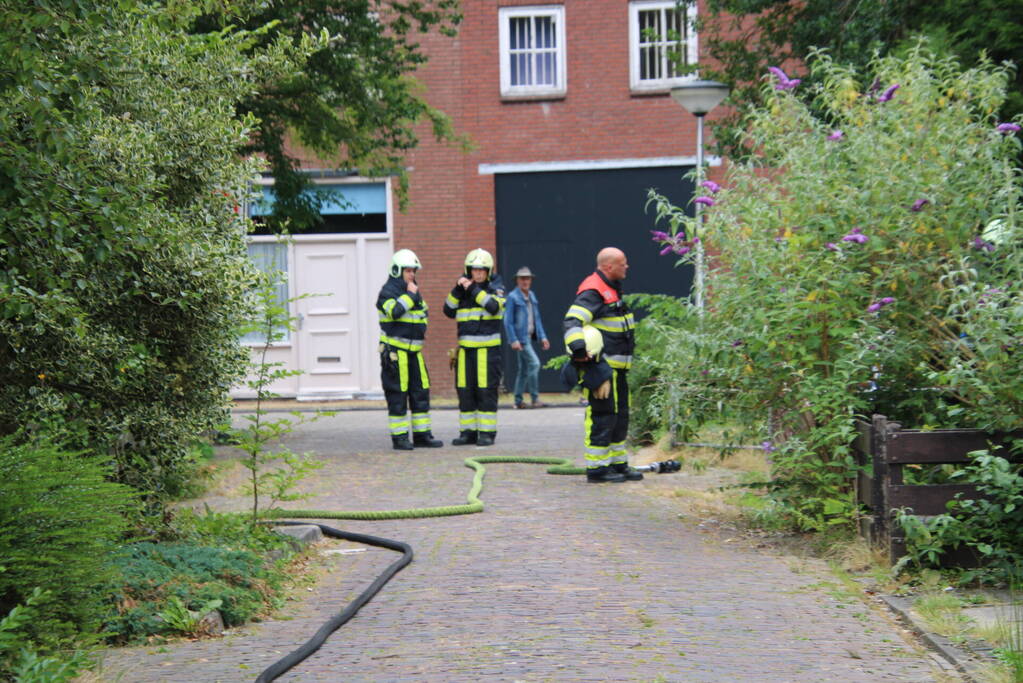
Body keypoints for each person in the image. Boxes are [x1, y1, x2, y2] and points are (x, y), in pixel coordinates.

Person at [563, 247, 643, 483]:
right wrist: (579, 351)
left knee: (620, 417)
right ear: (608, 267)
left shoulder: (611, 289)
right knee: (603, 416)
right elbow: (572, 321)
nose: (626, 267)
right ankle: (597, 468)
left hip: (618, 370)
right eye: (623, 263)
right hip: (603, 371)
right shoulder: (594, 290)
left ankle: (617, 463)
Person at [376, 249, 443, 451]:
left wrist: (413, 298)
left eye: (413, 271)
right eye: (408, 271)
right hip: (395, 354)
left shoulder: (413, 292)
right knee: (398, 395)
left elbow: (423, 312)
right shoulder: (387, 292)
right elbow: (395, 312)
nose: (412, 275)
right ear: (396, 271)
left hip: (415, 353)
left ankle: (422, 436)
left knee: (420, 392)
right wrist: (410, 296)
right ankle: (400, 438)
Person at [443, 248, 506, 446]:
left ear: (489, 272)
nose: (478, 273)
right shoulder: (463, 291)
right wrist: (457, 288)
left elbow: (493, 306)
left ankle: (486, 434)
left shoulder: (496, 288)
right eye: (474, 270)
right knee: (465, 391)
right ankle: (468, 432)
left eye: (482, 270)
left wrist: (471, 289)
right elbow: (448, 310)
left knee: (486, 392)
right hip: (465, 352)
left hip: (487, 353)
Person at [503, 266, 551, 409]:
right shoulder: (512, 297)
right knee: (535, 364)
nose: (525, 281)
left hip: (529, 337)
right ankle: (535, 399)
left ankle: (518, 401)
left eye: (527, 278)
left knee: (523, 370)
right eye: (522, 278)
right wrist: (513, 340)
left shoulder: (532, 296)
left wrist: (543, 337)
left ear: (531, 280)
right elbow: (508, 321)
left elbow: (537, 319)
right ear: (517, 281)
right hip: (521, 340)